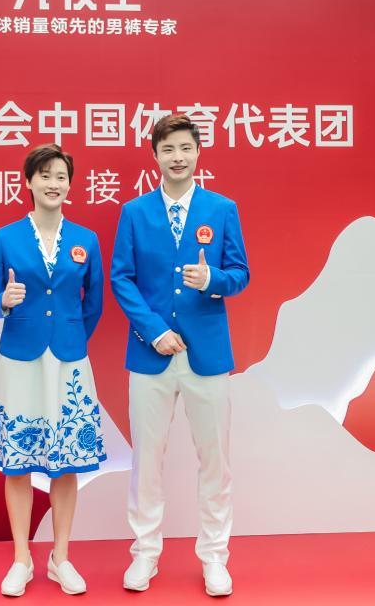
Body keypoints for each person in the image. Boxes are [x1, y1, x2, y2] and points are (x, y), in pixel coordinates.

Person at [111, 113, 250, 597]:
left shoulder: (222, 208)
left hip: (207, 355)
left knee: (215, 460)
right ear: (155, 155)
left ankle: (214, 557)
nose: (177, 157)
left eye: (185, 148)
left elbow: (240, 274)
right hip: (150, 355)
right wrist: (153, 331)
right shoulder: (134, 212)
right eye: (168, 149)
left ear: (197, 152)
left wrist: (213, 280)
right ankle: (145, 553)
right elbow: (121, 277)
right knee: (147, 459)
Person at [0, 143, 106, 597]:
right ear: (29, 182)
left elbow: (94, 304)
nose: (54, 184)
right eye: (45, 176)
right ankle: (21, 559)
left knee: (65, 463)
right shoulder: (5, 238)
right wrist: (3, 302)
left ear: (70, 185)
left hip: (68, 362)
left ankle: (60, 558)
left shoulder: (86, 240)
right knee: (17, 464)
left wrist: (70, 337)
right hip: (19, 360)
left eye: (61, 177)